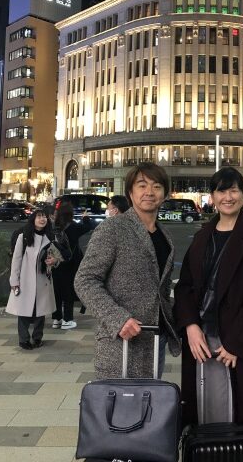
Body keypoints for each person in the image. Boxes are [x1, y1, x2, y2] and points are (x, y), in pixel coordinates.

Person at [174, 167, 243, 461]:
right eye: (221, 191)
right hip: (201, 341)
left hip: (237, 344)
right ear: (212, 196)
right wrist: (190, 326)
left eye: (234, 190)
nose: (228, 197)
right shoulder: (202, 236)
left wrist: (237, 344)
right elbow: (185, 287)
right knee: (202, 408)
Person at [74, 162, 180, 379]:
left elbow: (161, 288)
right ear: (131, 192)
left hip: (155, 341)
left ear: (165, 194)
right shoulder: (113, 228)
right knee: (117, 400)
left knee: (151, 398)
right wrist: (117, 318)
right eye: (142, 185)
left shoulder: (165, 236)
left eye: (156, 186)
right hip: (119, 342)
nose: (149, 192)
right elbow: (85, 280)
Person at [5, 208, 57, 349]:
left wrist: (54, 261)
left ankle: (37, 338)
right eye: (39, 216)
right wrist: (14, 281)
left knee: (40, 311)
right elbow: (16, 260)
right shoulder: (24, 237)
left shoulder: (51, 237)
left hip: (42, 280)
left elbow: (56, 257)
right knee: (23, 311)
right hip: (25, 280)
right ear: (33, 219)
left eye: (44, 217)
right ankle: (24, 340)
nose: (42, 219)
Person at [51, 202, 92, 330]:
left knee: (56, 291)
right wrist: (85, 217)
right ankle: (67, 320)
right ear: (70, 213)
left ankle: (57, 319)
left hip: (55, 262)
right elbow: (88, 227)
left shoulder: (54, 227)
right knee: (68, 291)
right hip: (70, 262)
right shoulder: (73, 226)